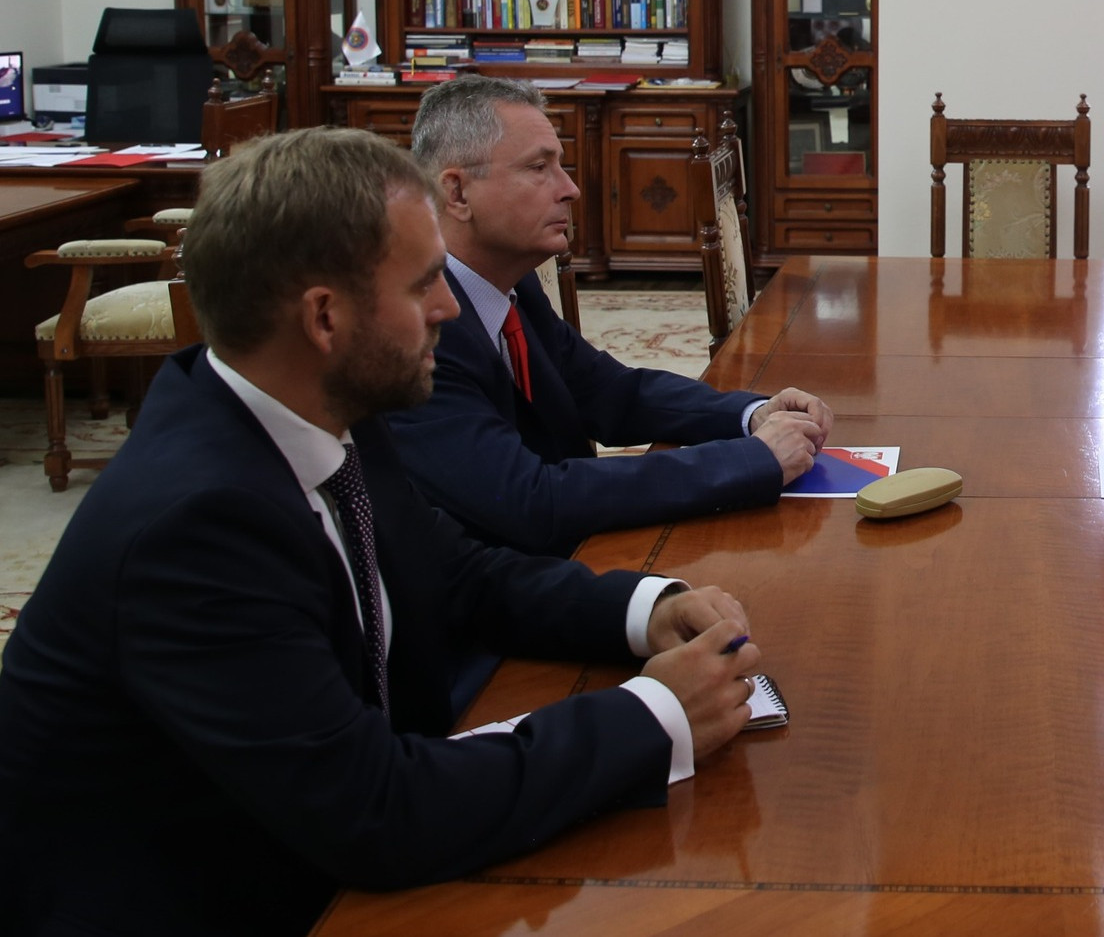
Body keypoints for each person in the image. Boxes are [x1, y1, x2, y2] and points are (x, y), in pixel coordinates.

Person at [0, 128, 767, 936]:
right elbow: (376, 813)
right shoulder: (194, 526)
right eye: (423, 284)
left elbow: (458, 572)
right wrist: (656, 716)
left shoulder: (326, 408)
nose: (447, 308)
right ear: (325, 318)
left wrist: (646, 606)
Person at [388, 74, 834, 556]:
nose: (571, 189)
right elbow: (529, 498)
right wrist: (750, 460)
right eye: (539, 167)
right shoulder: (421, 332)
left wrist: (750, 414)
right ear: (456, 193)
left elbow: (609, 393)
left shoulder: (511, 285)